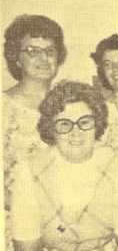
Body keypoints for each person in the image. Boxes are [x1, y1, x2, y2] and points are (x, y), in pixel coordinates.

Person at [11, 81, 118, 251]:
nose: (76, 133)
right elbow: (26, 245)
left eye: (85, 122)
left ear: (97, 125)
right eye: (64, 124)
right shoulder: (30, 170)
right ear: (51, 128)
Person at [2, 14, 67, 250]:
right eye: (32, 50)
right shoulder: (3, 108)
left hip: (67, 222)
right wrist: (33, 213)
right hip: (15, 224)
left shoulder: (70, 104)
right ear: (16, 59)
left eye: (49, 50)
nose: (43, 58)